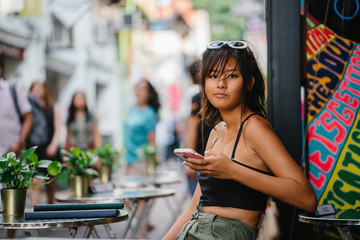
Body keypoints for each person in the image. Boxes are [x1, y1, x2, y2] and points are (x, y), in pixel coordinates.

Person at [163, 41, 317, 240]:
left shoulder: (255, 128)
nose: (221, 83)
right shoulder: (216, 131)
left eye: (232, 76)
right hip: (193, 229)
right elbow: (194, 207)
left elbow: (307, 198)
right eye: (212, 75)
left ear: (249, 83)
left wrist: (233, 171)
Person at [27, 81, 62, 206]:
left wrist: (54, 144)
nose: (36, 90)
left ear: (45, 91)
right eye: (33, 88)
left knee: (50, 183)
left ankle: (50, 208)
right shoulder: (28, 107)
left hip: (49, 147)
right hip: (34, 148)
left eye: (39, 88)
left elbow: (58, 127)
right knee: (35, 182)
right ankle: (33, 212)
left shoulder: (53, 106)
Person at [184, 60, 212, 196]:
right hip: (202, 156)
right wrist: (190, 159)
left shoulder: (199, 96)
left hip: (205, 157)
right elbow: (192, 127)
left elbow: (191, 128)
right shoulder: (198, 97)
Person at [123, 79, 161, 175]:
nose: (139, 91)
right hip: (127, 160)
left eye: (143, 89)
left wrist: (151, 166)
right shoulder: (132, 109)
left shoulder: (149, 113)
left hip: (140, 163)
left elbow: (152, 143)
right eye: (137, 88)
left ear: (149, 94)